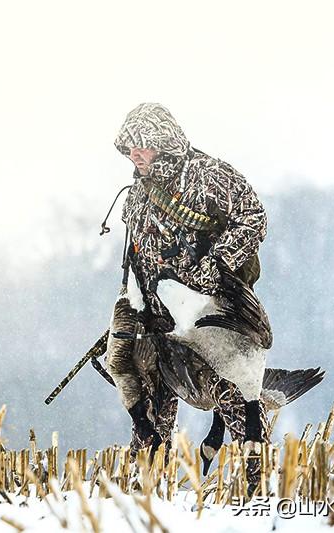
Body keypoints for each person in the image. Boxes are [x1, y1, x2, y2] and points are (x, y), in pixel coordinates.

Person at [106, 102, 268, 456]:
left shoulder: (208, 175)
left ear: (163, 142)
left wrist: (216, 265)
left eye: (142, 143)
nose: (134, 152)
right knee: (148, 415)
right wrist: (128, 310)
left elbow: (252, 217)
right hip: (155, 316)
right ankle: (145, 495)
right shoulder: (136, 195)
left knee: (235, 396)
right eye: (129, 145)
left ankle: (258, 488)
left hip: (208, 314)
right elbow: (134, 256)